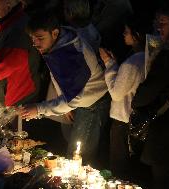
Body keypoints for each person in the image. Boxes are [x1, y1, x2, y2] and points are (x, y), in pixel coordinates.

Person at [19, 10, 111, 167]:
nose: (35, 44)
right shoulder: (61, 38)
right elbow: (65, 82)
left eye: (40, 38)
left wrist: (39, 109)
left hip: (92, 104)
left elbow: (73, 97)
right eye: (33, 39)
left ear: (54, 33)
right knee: (73, 147)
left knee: (78, 157)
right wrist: (65, 101)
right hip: (81, 99)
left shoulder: (68, 54)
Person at [131, 2, 169, 189]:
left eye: (163, 23)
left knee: (163, 180)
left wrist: (137, 96)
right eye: (158, 22)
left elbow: (145, 94)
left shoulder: (168, 58)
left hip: (165, 132)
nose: (158, 27)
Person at [99, 14, 152, 180]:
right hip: (141, 120)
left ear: (137, 35)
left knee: (120, 167)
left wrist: (109, 64)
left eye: (126, 31)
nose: (123, 34)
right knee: (135, 167)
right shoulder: (151, 56)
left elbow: (116, 93)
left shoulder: (133, 62)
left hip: (124, 121)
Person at [0, 0, 43, 109]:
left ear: (8, 4)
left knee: (14, 127)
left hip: (17, 102)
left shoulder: (17, 30)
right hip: (10, 102)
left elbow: (3, 68)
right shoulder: (8, 25)